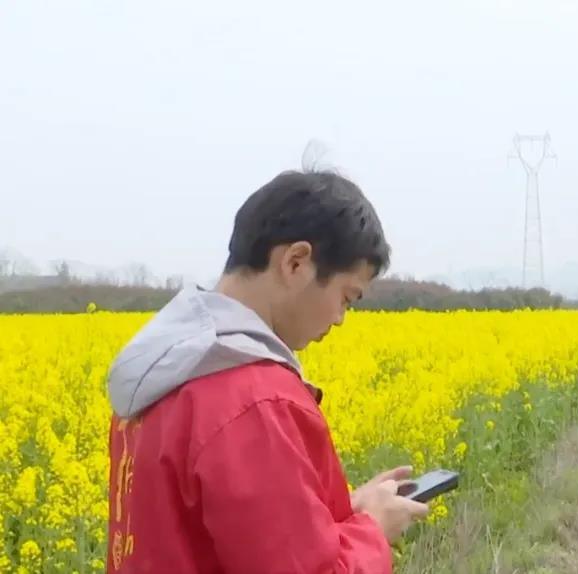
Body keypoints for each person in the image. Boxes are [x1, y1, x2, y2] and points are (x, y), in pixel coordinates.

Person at [105, 168, 429, 573]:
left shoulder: (160, 372)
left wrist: (347, 516)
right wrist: (373, 532)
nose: (341, 318)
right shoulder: (253, 402)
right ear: (296, 262)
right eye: (347, 297)